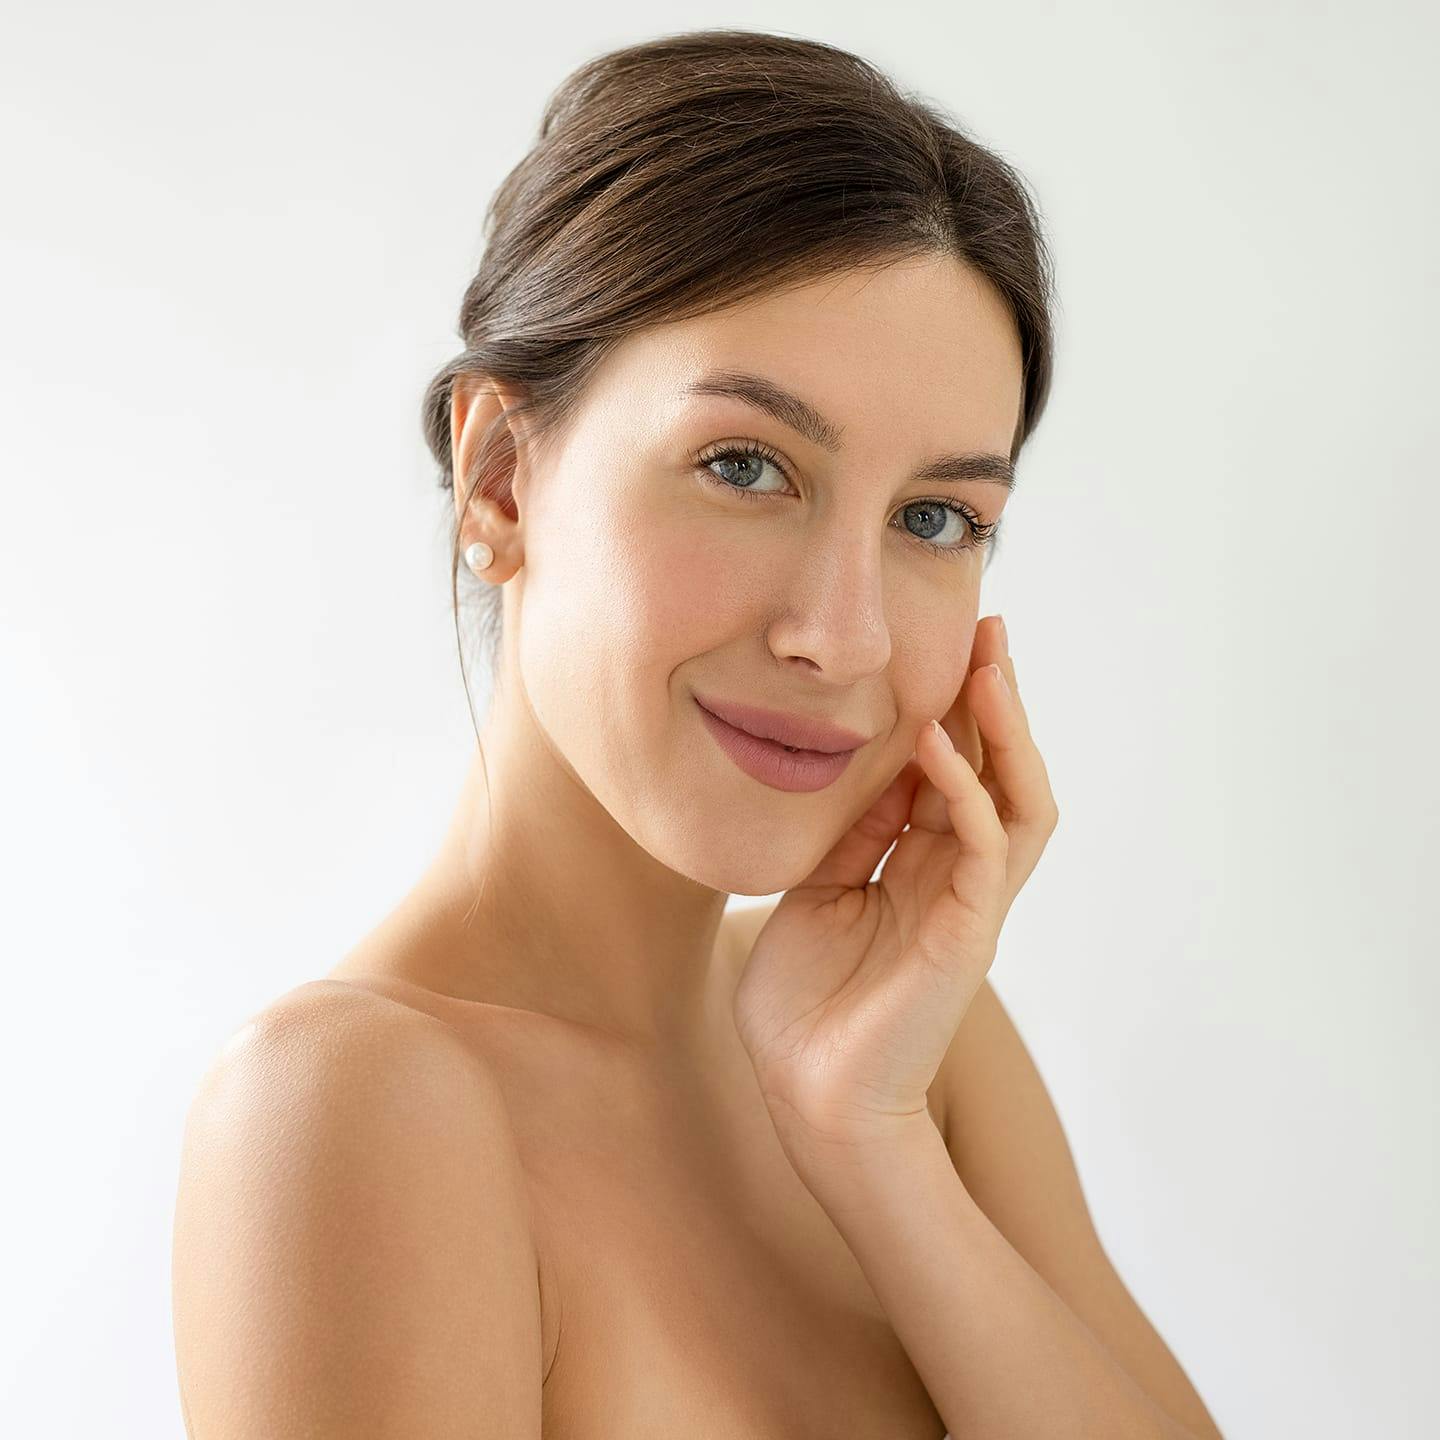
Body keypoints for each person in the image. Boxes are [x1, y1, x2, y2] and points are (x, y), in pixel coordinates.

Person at [171, 28, 1224, 1440]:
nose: (839, 636)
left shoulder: (919, 1050)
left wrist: (872, 1145)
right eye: (746, 466)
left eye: (935, 519)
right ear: (498, 481)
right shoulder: (356, 1107)